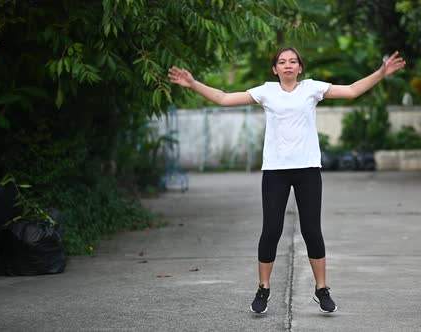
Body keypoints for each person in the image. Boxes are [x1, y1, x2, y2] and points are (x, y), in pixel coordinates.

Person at [167, 47, 405, 314]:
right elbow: (223, 98)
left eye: (293, 61)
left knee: (312, 231)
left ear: (300, 68)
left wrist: (381, 73)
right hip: (276, 171)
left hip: (308, 170)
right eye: (282, 62)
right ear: (275, 69)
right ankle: (263, 288)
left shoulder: (312, 89)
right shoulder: (266, 91)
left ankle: (321, 289)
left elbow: (351, 90)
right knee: (271, 231)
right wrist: (193, 83)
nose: (288, 65)